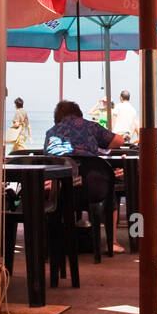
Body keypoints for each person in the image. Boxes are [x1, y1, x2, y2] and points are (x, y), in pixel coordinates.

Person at [44, 100, 125, 253]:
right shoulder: (91, 127)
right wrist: (101, 145)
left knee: (52, 191)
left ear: (57, 117)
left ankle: (52, 242)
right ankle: (112, 242)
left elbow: (47, 160)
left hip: (61, 190)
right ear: (78, 113)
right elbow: (120, 140)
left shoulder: (51, 132)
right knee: (110, 193)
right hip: (93, 189)